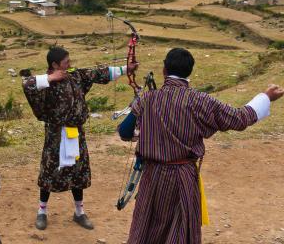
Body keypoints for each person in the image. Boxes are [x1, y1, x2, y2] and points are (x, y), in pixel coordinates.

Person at [118, 48, 284, 244]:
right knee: (180, 231)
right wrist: (265, 97)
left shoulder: (147, 98)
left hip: (152, 176)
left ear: (164, 69)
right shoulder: (200, 101)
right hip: (182, 177)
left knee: (147, 226)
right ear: (190, 72)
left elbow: (124, 132)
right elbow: (239, 118)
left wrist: (145, 129)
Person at [22, 46, 137, 230]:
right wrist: (52, 78)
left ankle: (79, 212)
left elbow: (98, 73)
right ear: (54, 64)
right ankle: (42, 211)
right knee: (49, 172)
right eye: (66, 62)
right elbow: (27, 84)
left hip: (76, 133)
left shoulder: (75, 76)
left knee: (78, 171)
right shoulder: (45, 82)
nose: (70, 64)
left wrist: (126, 69)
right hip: (56, 134)